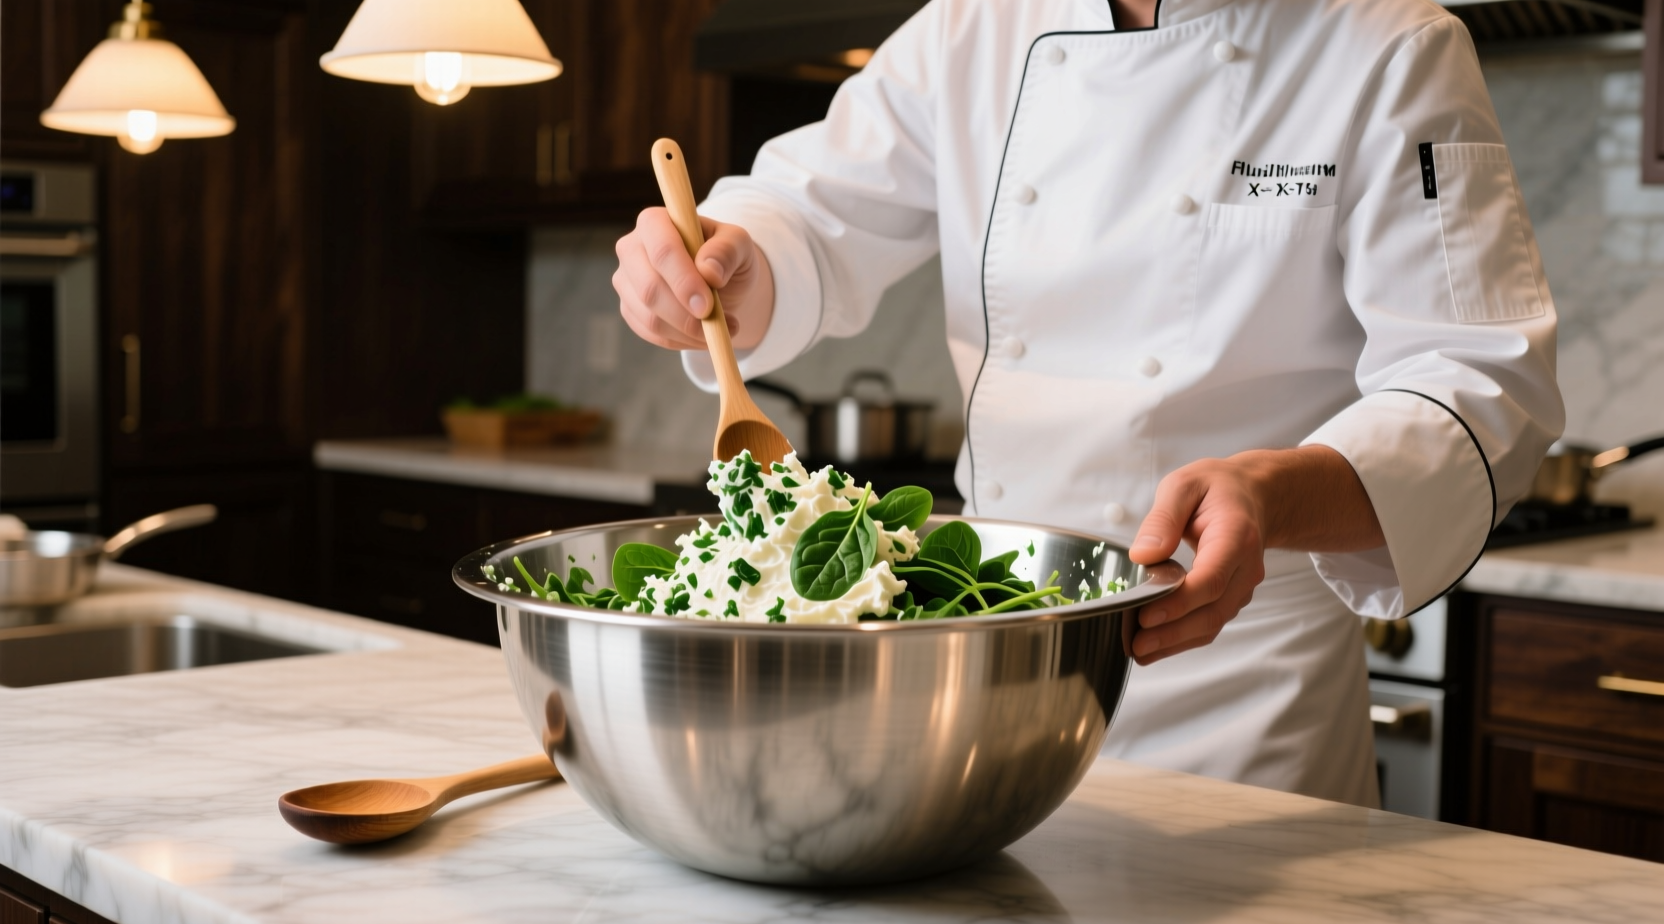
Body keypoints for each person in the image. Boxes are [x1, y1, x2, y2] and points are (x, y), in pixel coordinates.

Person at [611, 0, 1563, 805]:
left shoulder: (1390, 42)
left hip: (1238, 695)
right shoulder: (974, 26)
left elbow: (1480, 382)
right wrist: (725, 270)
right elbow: (808, 218)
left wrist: (1276, 489)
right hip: (988, 670)